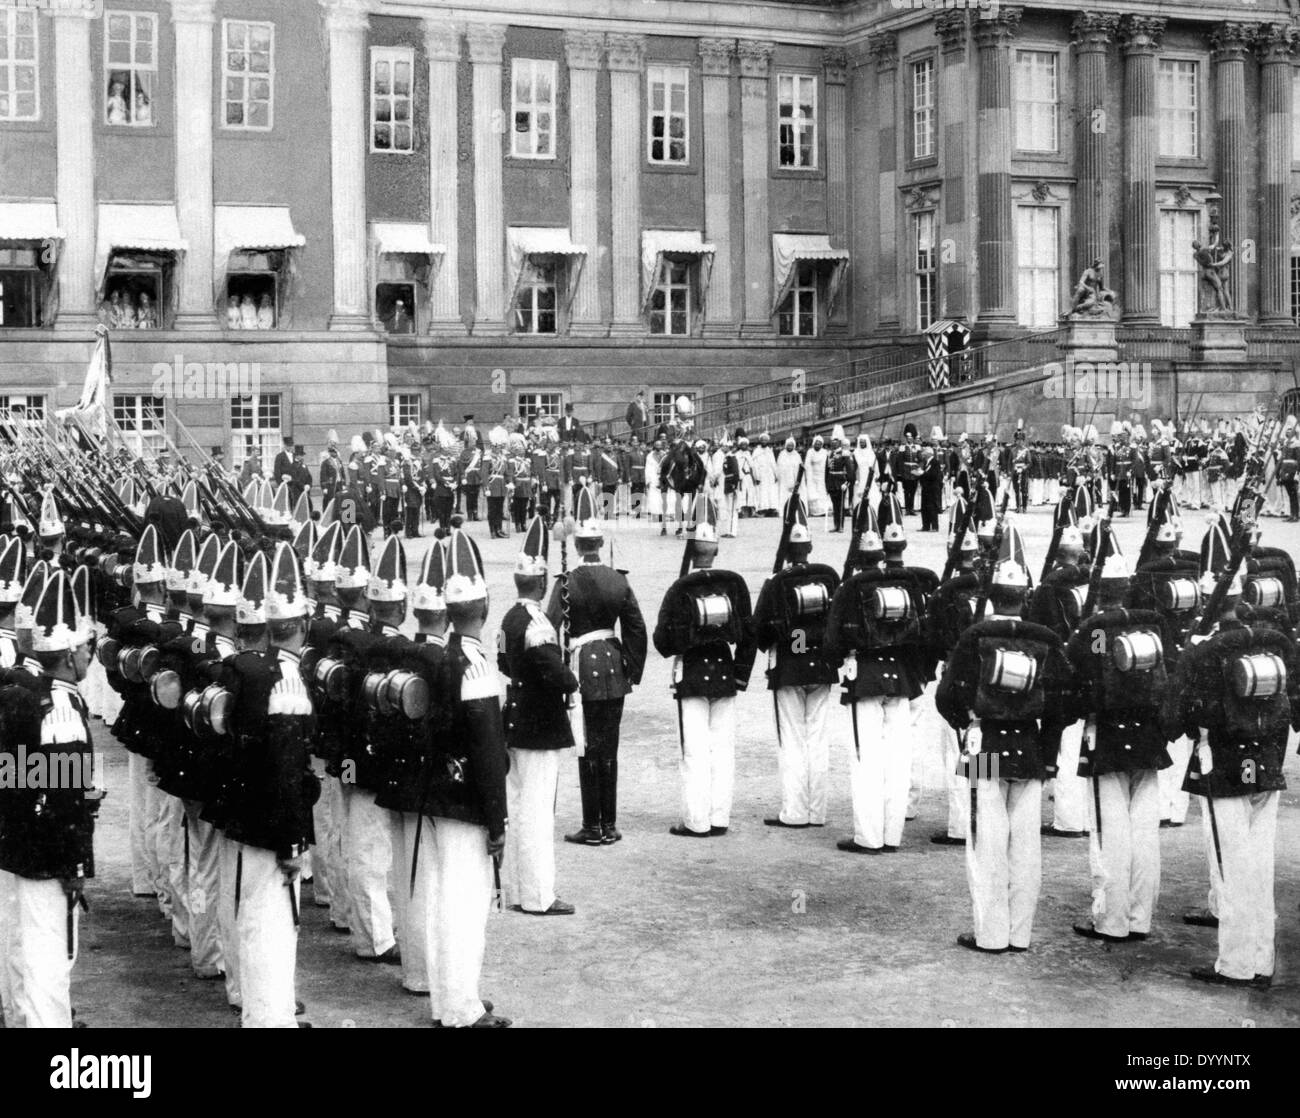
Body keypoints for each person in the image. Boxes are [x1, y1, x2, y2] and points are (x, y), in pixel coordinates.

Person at [936, 518, 1074, 954]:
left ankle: (991, 934)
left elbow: (947, 698)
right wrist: (1049, 751)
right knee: (1026, 846)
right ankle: (1019, 933)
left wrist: (969, 721)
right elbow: (1064, 701)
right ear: (1024, 595)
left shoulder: (976, 636)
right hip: (1030, 747)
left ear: (992, 594)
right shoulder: (1045, 639)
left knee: (987, 842)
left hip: (987, 744)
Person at [1163, 543, 1297, 987]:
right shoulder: (1273, 642)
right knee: (1259, 869)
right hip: (1267, 765)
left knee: (1233, 868)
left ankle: (1236, 963)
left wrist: (1187, 661)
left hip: (1223, 767)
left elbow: (1174, 718)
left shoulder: (1206, 652)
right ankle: (1261, 959)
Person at [0, 570, 98, 1028]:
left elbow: (18, 777)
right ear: (67, 654)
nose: (88, 657)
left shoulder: (22, 696)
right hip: (46, 852)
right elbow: (63, 798)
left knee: (22, 949)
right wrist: (75, 863)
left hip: (17, 843)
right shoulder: (61, 709)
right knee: (51, 960)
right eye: (84, 649)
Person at [425, 530, 511, 1027]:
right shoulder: (475, 665)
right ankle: (461, 1007)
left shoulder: (441, 654)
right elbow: (486, 750)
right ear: (484, 606)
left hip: (440, 793)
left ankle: (450, 997)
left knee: (442, 900)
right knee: (465, 904)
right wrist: (496, 818)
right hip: (466, 801)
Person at [1067, 543, 1171, 944]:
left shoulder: (1094, 630)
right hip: (1146, 736)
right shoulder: (1150, 625)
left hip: (1106, 736)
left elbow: (1084, 673)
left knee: (1112, 834)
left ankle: (1112, 919)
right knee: (1144, 833)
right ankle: (1139, 915)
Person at [547, 488, 647, 845]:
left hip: (582, 668)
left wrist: (557, 674)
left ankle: (592, 826)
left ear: (576, 545)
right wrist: (632, 669)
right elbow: (636, 628)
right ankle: (609, 823)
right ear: (600, 543)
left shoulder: (566, 582)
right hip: (614, 667)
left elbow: (548, 627)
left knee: (588, 748)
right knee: (610, 747)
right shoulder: (618, 579)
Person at [654, 494, 756, 838]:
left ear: (692, 551)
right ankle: (719, 816)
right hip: (725, 672)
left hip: (693, 674)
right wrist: (741, 674)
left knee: (695, 752)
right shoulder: (734, 583)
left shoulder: (681, 587)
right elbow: (749, 634)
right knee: (722, 750)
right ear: (716, 550)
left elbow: (662, 642)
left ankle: (697, 820)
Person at [498, 517, 578, 914]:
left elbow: (503, 660)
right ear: (542, 583)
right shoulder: (536, 624)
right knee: (537, 813)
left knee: (519, 808)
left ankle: (517, 888)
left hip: (516, 718)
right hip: (540, 726)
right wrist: (571, 675)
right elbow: (558, 675)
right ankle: (538, 895)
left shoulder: (510, 618)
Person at [753, 498, 839, 829]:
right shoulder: (827, 577)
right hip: (821, 666)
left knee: (792, 741)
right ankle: (817, 811)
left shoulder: (779, 582)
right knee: (816, 740)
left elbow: (763, 630)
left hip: (791, 666)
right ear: (811, 547)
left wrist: (794, 641)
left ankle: (795, 811)